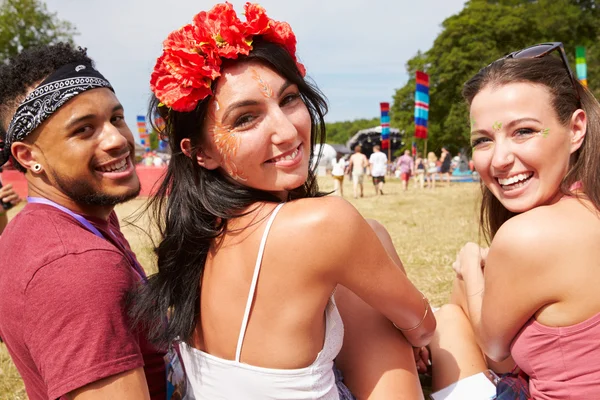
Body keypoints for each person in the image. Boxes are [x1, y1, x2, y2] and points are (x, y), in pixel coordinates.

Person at [130, 3, 436, 400]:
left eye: (289, 99)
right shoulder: (323, 224)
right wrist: (416, 335)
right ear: (200, 152)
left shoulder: (198, 240)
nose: (287, 129)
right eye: (246, 119)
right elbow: (424, 325)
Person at [429, 43, 600, 399]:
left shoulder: (530, 235)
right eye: (484, 140)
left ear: (576, 129)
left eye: (523, 131)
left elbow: (495, 351)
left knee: (448, 316)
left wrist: (468, 261)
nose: (501, 159)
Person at [0, 43, 166, 399]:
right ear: (29, 157)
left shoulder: (53, 226)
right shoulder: (75, 266)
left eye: (116, 118)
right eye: (84, 130)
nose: (117, 139)